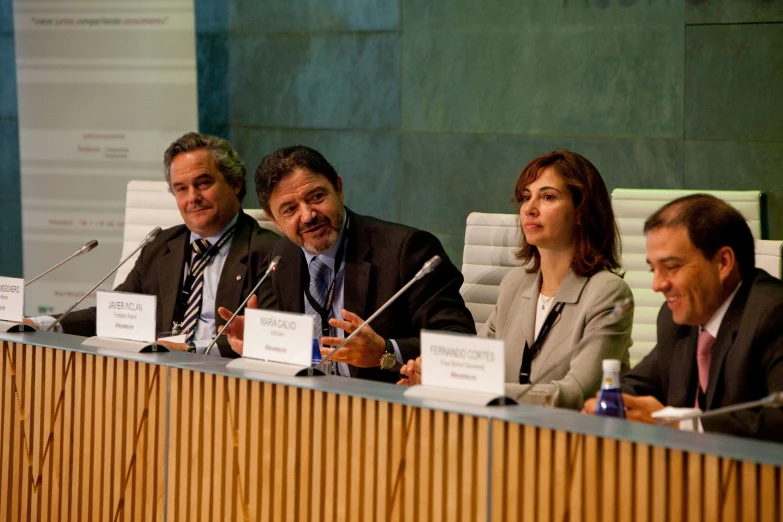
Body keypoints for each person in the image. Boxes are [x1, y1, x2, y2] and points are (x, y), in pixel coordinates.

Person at [398, 150, 634, 410]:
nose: (529, 209)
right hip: (505, 434)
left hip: (571, 441)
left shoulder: (607, 292)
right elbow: (475, 366)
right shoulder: (514, 284)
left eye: (547, 197)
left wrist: (471, 388)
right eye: (525, 197)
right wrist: (437, 375)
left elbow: (579, 393)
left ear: (581, 211)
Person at [218, 145, 476, 383]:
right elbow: (296, 352)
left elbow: (460, 342)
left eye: (317, 196)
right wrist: (263, 342)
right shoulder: (282, 256)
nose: (307, 216)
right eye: (289, 210)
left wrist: (385, 351)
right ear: (273, 219)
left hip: (387, 408)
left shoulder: (405, 250)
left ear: (339, 189)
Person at [29, 132, 278, 357]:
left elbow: (270, 337)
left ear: (234, 183)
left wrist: (191, 349)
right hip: (153, 375)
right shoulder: (159, 245)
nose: (192, 198)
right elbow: (113, 313)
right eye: (181, 189)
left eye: (203, 183)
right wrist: (42, 324)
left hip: (224, 382)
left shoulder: (269, 253)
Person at [583, 194, 783, 441]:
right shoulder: (675, 319)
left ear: (723, 262)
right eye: (653, 269)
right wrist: (614, 404)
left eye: (671, 267)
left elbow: (778, 419)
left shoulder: (774, 314)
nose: (657, 285)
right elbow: (638, 384)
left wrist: (681, 425)